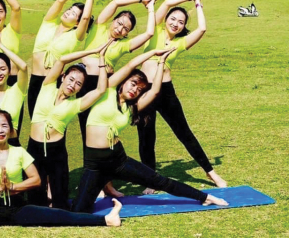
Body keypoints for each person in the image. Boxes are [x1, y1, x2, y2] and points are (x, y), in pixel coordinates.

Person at [72, 47, 228, 212]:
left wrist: (161, 64)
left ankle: (206, 197)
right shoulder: (107, 91)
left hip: (117, 159)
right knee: (79, 210)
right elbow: (132, 64)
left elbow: (154, 91)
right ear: (124, 81)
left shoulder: (132, 109)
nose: (134, 90)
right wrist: (153, 53)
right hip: (94, 163)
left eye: (139, 90)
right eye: (133, 84)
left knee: (160, 181)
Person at [136, 0, 228, 191]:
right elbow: (167, 3)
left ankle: (211, 173)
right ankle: (150, 179)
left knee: (184, 132)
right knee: (146, 135)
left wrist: (198, 4)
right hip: (144, 90)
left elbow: (202, 29)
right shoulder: (156, 30)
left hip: (166, 91)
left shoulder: (180, 43)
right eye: (173, 19)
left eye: (181, 22)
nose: (176, 24)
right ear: (166, 19)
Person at [26, 43, 110, 209]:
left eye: (78, 84)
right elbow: (62, 59)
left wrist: (100, 59)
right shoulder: (47, 86)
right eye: (71, 79)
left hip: (56, 152)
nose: (73, 85)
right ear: (63, 77)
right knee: (35, 202)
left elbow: (101, 90)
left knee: (60, 202)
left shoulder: (76, 104)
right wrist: (93, 50)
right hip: (34, 149)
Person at [76, 0, 157, 140]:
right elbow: (116, 2)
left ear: (128, 33)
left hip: (105, 86)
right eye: (119, 23)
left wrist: (151, 8)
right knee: (85, 125)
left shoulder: (124, 45)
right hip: (84, 83)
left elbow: (149, 33)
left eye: (126, 29)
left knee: (102, 123)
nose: (120, 29)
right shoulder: (98, 27)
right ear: (113, 20)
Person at [28, 0, 101, 118]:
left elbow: (86, 17)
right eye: (70, 10)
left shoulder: (75, 36)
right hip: (35, 80)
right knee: (35, 122)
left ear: (77, 24)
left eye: (74, 14)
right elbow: (60, 0)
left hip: (54, 85)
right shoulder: (48, 23)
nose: (68, 13)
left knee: (54, 122)